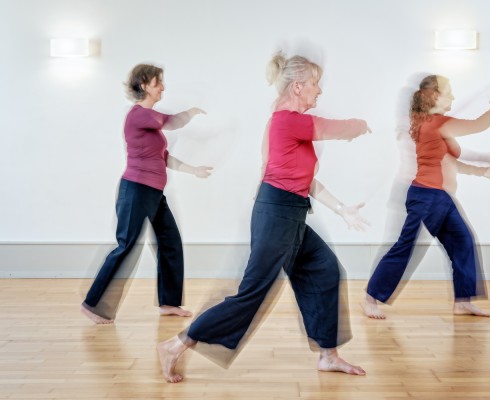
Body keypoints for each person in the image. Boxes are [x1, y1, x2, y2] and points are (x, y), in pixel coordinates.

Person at [157, 52, 370, 383]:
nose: (320, 91)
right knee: (252, 294)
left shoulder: (285, 123)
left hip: (291, 214)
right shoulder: (287, 120)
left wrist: (342, 208)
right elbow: (336, 129)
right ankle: (177, 343)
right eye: (315, 83)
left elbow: (305, 181)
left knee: (326, 270)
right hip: (277, 216)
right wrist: (358, 125)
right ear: (298, 86)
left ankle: (329, 356)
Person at [362, 74, 490, 319]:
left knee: (463, 242)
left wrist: (483, 170)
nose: (453, 97)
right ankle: (370, 298)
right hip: (425, 196)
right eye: (449, 92)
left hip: (440, 197)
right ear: (436, 96)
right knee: (405, 247)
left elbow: (453, 161)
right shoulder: (434, 123)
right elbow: (477, 125)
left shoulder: (429, 123)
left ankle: (462, 301)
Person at [80, 63, 213, 324]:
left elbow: (163, 157)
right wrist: (193, 111)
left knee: (170, 242)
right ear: (143, 85)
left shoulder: (150, 123)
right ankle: (93, 304)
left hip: (154, 192)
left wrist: (193, 169)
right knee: (126, 245)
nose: (162, 87)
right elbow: (172, 121)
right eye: (157, 82)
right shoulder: (139, 115)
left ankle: (169, 302)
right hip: (136, 190)